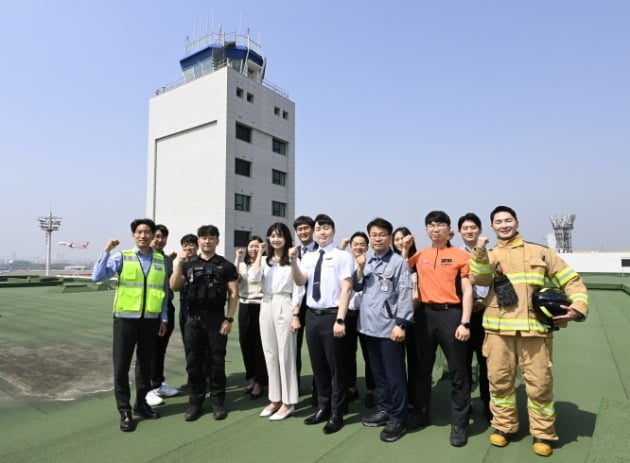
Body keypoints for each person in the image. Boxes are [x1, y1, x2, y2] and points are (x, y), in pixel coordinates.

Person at [468, 205, 589, 457]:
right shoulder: (487, 256)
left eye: (508, 220)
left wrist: (577, 307)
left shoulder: (541, 252)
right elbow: (478, 279)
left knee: (539, 385)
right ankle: (503, 427)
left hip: (535, 332)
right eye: (498, 222)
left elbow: (571, 279)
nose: (504, 225)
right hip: (498, 332)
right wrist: (479, 250)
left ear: (516, 222)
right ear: (492, 227)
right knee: (500, 383)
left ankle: (543, 433)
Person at [401, 210, 473, 447]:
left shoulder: (461, 256)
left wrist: (464, 322)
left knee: (458, 371)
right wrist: (405, 249)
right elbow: (402, 271)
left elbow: (468, 290)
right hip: (424, 316)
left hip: (451, 315)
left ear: (448, 229)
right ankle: (421, 413)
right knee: (421, 369)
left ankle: (459, 424)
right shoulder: (421, 254)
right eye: (431, 225)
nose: (435, 229)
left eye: (440, 224)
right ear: (426, 230)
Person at [91, 218, 169, 432]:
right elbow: (97, 276)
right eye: (139, 232)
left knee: (144, 366)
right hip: (125, 320)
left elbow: (162, 293)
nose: (143, 235)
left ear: (154, 236)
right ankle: (124, 410)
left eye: (147, 232)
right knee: (121, 367)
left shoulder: (161, 261)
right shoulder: (123, 257)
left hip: (150, 321)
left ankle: (141, 404)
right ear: (133, 235)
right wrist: (107, 249)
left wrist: (163, 318)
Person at [290, 213, 353, 434]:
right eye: (319, 229)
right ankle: (323, 408)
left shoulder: (342, 256)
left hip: (332, 315)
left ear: (333, 231)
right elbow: (300, 281)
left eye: (326, 228)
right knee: (318, 366)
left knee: (335, 367)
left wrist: (340, 318)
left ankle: (337, 413)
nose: (322, 232)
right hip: (312, 316)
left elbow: (346, 288)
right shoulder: (308, 256)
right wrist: (292, 262)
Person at [170, 225, 239, 422]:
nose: (207, 241)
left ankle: (217, 401)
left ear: (217, 240)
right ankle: (195, 402)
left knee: (217, 362)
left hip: (216, 319)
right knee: (194, 362)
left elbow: (233, 294)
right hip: (193, 319)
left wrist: (228, 319)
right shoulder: (188, 264)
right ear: (198, 241)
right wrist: (179, 263)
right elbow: (174, 286)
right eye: (203, 238)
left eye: (211, 238)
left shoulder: (226, 266)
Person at [354, 218, 414, 443]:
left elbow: (405, 294)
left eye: (381, 234)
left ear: (390, 237)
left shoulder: (399, 263)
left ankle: (399, 417)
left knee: (395, 376)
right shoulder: (368, 262)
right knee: (378, 374)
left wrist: (401, 324)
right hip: (369, 328)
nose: (377, 238)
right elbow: (359, 287)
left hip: (390, 329)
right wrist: (359, 268)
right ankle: (384, 409)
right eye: (374, 235)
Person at [251, 223, 304, 420]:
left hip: (285, 303)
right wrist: (259, 254)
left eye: (279, 236)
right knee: (270, 354)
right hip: (266, 304)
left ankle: (288, 402)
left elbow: (299, 288)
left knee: (286, 355)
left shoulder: (293, 260)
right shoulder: (264, 261)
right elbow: (254, 277)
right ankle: (275, 398)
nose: (275, 239)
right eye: (272, 236)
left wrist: (296, 314)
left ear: (287, 239)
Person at [457, 213, 491, 422]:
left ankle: (489, 404)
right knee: (463, 363)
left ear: (479, 229)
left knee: (487, 362)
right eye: (465, 228)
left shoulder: (491, 253)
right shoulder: (456, 254)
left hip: (487, 314)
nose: (469, 231)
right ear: (459, 232)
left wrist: (484, 302)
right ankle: (465, 403)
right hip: (463, 316)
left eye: (473, 227)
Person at [339, 232, 376, 409]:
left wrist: (361, 269)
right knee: (347, 354)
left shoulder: (373, 265)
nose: (359, 247)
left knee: (369, 354)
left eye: (362, 244)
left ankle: (371, 390)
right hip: (347, 314)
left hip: (366, 315)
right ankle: (351, 388)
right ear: (351, 246)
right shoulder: (344, 262)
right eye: (355, 244)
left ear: (367, 247)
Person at [146, 224, 180, 407]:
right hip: (150, 311)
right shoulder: (144, 257)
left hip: (167, 307)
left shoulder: (166, 260)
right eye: (157, 236)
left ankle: (158, 384)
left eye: (163, 237)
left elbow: (169, 286)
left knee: (160, 349)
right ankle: (147, 389)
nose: (160, 240)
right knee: (150, 350)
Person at [234, 236, 267, 400]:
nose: (253, 249)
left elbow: (256, 276)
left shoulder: (265, 262)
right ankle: (252, 378)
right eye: (251, 246)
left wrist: (261, 254)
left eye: (256, 246)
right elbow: (233, 279)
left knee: (259, 345)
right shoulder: (241, 265)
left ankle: (260, 382)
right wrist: (237, 258)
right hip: (245, 305)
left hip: (261, 305)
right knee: (245, 343)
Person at [392, 227, 419, 410]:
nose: (401, 242)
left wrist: (406, 252)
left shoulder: (418, 260)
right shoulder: (391, 262)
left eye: (403, 238)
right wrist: (403, 252)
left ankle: (414, 398)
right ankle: (400, 398)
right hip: (395, 318)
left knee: (415, 360)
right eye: (397, 239)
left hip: (416, 317)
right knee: (396, 360)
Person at [292, 215, 318, 394]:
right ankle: (294, 385)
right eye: (299, 229)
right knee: (294, 346)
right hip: (296, 307)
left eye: (306, 228)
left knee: (317, 348)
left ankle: (319, 387)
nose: (303, 232)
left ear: (313, 229)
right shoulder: (293, 252)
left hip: (316, 306)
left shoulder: (322, 250)